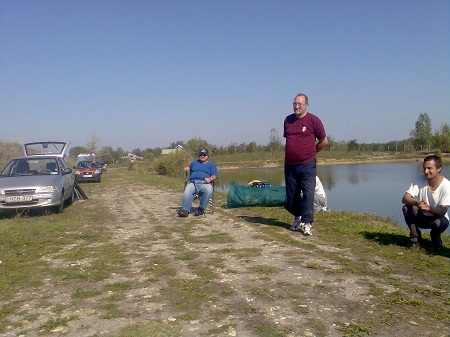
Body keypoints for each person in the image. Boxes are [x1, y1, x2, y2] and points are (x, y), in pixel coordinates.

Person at [284, 93, 328, 235]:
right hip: (290, 165)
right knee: (292, 195)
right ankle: (297, 217)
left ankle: (307, 223)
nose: (297, 106)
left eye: (300, 104)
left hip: (307, 164)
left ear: (306, 105)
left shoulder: (313, 120)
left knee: (308, 193)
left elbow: (324, 141)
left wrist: (312, 152)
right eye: (295, 103)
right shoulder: (288, 120)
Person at [401, 155, 450, 250]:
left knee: (442, 222)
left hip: (436, 218)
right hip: (421, 216)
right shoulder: (420, 179)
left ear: (439, 169)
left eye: (429, 168)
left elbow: (443, 211)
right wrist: (417, 203)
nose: (425, 171)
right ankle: (415, 239)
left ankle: (435, 237)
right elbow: (405, 198)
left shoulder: (447, 186)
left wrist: (429, 209)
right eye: (424, 168)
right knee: (407, 208)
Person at [178, 148, 218, 217]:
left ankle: (201, 209)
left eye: (204, 155)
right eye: (201, 155)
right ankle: (185, 210)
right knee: (188, 190)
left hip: (205, 183)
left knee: (209, 190)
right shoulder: (194, 162)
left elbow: (215, 176)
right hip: (193, 183)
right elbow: (188, 167)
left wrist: (210, 179)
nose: (202, 156)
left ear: (207, 156)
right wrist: (186, 168)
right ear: (199, 155)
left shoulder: (211, 165)